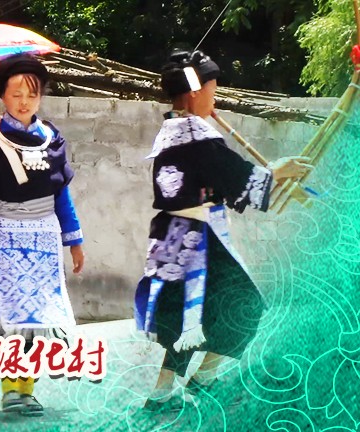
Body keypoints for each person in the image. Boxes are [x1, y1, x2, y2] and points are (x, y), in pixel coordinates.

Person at [134, 49, 312, 409]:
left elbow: (217, 179)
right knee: (244, 304)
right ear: (195, 92)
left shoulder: (172, 131)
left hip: (173, 234)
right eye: (212, 90)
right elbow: (234, 177)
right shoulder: (196, 136)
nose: (214, 98)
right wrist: (277, 170)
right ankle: (203, 378)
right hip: (199, 239)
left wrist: (270, 175)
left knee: (191, 312)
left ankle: (162, 392)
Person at [0, 54, 85, 417]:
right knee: (7, 315)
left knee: (38, 318)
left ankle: (28, 388)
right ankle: (10, 388)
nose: (24, 101)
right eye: (16, 94)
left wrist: (74, 241)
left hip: (42, 239)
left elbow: (61, 194)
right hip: (0, 237)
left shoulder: (51, 138)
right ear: (1, 96)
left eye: (32, 94)